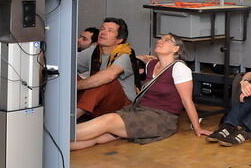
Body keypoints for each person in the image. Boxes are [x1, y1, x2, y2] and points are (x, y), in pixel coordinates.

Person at [72, 34, 209, 149]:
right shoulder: (151, 64)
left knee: (108, 120)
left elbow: (187, 101)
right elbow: (133, 67)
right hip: (139, 111)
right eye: (160, 39)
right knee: (99, 137)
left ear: (176, 48)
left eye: (166, 40)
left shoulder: (179, 68)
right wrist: (140, 58)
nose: (160, 41)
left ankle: (56, 135)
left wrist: (197, 127)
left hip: (161, 118)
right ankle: (53, 149)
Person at [75, 18, 137, 120]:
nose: (103, 32)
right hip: (99, 102)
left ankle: (71, 119)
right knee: (68, 75)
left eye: (110, 31)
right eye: (102, 29)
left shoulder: (124, 54)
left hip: (123, 107)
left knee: (104, 80)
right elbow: (69, 62)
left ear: (119, 40)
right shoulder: (94, 51)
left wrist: (74, 86)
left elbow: (108, 76)